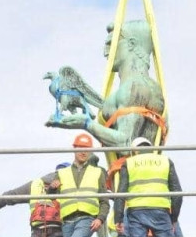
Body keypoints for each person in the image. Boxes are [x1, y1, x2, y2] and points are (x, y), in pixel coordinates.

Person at [46, 20, 165, 149]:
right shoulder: (142, 86)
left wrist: (86, 124)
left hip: (132, 166)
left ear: (131, 44)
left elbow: (125, 142)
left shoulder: (135, 87)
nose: (106, 52)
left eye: (111, 44)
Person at [114, 137, 182, 237]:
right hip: (160, 208)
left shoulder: (130, 163)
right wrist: (174, 217)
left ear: (134, 150)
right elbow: (177, 192)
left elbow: (121, 193)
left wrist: (118, 218)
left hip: (137, 210)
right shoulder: (165, 161)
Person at [53, 133, 110, 237]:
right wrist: (53, 189)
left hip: (87, 219)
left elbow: (104, 201)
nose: (83, 152)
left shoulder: (97, 172)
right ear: (74, 149)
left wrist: (100, 218)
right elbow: (54, 198)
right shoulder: (61, 173)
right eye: (80, 148)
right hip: (67, 221)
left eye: (87, 149)